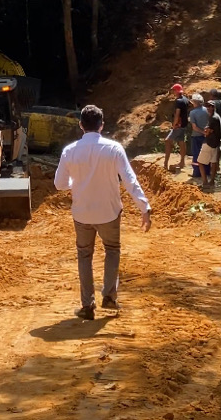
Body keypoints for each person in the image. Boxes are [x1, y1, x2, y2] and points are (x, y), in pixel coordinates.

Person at [54, 105, 151, 320]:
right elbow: (129, 180)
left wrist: (77, 181)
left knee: (84, 256)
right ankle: (109, 296)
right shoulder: (114, 149)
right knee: (112, 250)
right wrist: (144, 207)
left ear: (81, 125)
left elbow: (59, 184)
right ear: (102, 125)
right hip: (109, 212)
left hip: (82, 213)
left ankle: (87, 306)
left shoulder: (70, 151)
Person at [163, 83, 189, 171]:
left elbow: (177, 114)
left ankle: (165, 163)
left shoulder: (178, 101)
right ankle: (182, 162)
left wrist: (174, 125)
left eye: (173, 90)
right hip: (184, 124)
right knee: (181, 142)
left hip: (179, 125)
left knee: (167, 140)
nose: (173, 92)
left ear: (176, 91)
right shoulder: (185, 99)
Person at [197, 101, 221, 187]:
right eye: (208, 106)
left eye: (211, 106)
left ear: (214, 107)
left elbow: (208, 131)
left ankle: (205, 182)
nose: (209, 108)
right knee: (213, 162)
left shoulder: (213, 118)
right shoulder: (217, 117)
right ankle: (212, 182)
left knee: (200, 162)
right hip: (215, 143)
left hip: (209, 142)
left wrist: (205, 132)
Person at [188, 93, 209, 178]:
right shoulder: (207, 110)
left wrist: (202, 132)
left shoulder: (193, 113)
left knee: (196, 155)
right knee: (206, 154)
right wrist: (206, 133)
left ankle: (197, 173)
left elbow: (195, 128)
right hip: (207, 136)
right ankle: (207, 171)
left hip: (196, 136)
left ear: (195, 102)